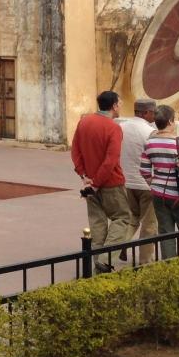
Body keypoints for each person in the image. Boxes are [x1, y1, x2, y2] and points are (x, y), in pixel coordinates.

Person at [70, 90, 132, 273]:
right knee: (122, 218)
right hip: (110, 183)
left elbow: (75, 151)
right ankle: (105, 259)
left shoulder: (84, 122)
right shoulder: (113, 128)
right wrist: (96, 182)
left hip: (89, 182)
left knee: (97, 224)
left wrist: (84, 176)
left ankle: (97, 266)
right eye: (119, 103)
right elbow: (111, 160)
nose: (120, 106)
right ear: (114, 106)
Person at [140, 104, 179, 258]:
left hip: (159, 195)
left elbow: (144, 170)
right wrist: (178, 164)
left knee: (166, 235)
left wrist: (154, 183)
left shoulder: (149, 143)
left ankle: (169, 267)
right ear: (170, 122)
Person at [116, 98, 158, 265]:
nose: (155, 116)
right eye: (153, 112)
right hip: (146, 184)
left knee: (131, 218)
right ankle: (145, 261)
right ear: (146, 113)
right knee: (149, 224)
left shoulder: (121, 127)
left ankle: (118, 247)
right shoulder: (150, 132)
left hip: (126, 181)